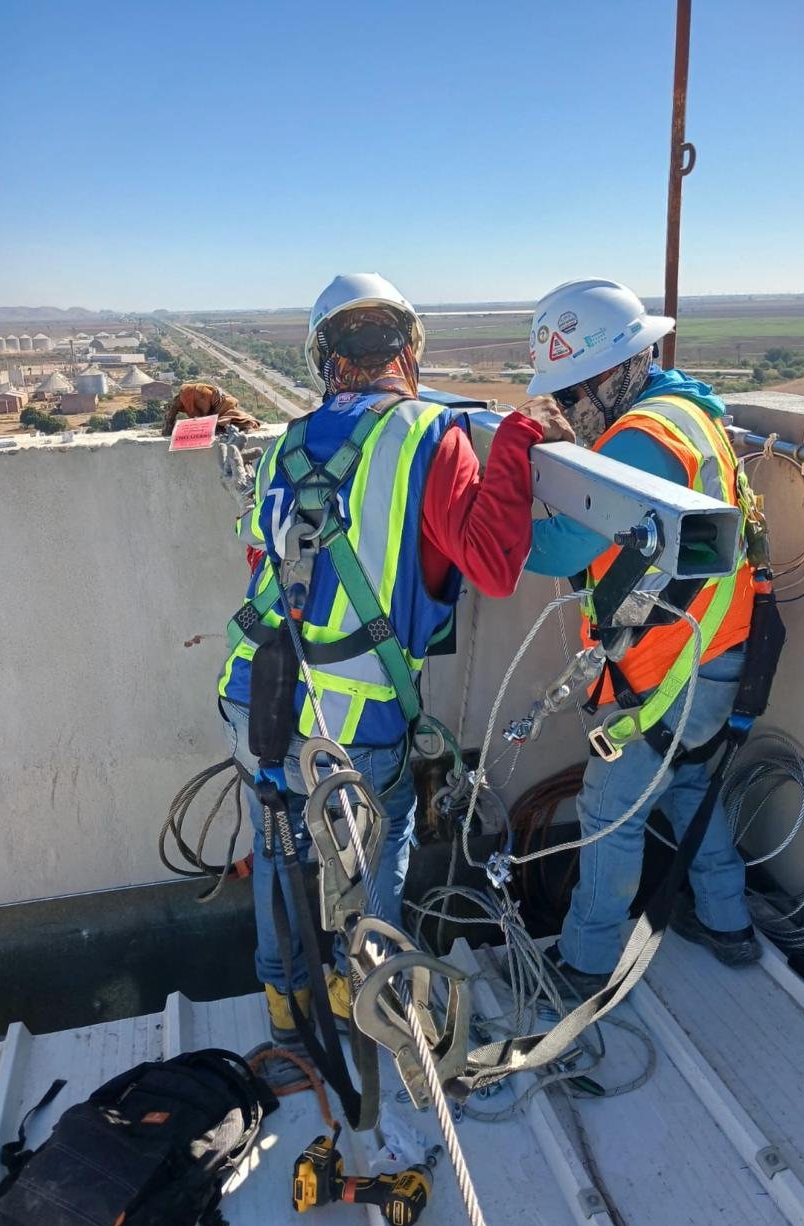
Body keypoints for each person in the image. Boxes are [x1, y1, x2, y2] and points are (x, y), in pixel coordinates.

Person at [217, 272, 573, 1069]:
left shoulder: (284, 442)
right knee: (374, 861)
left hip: (259, 694)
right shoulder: (427, 436)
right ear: (409, 351)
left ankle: (285, 1013)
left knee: (279, 849)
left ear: (324, 358)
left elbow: (259, 557)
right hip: (358, 719)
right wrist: (512, 442)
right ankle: (368, 1005)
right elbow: (491, 564)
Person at [523, 278, 762, 993]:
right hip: (711, 651)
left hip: (668, 667)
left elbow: (561, 550)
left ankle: (585, 964)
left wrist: (493, 511)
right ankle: (729, 921)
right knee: (688, 783)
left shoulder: (640, 439)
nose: (565, 410)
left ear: (613, 372)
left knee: (608, 809)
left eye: (569, 395)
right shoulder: (687, 409)